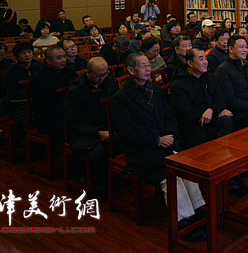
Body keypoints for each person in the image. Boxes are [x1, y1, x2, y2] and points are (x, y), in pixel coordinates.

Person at [111, 53, 208, 241]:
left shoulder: (155, 89)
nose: (148, 69)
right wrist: (157, 139)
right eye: (142, 66)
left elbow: (169, 116)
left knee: (185, 163)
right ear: (131, 70)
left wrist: (170, 135)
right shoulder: (121, 98)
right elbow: (127, 131)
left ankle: (199, 209)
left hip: (165, 142)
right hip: (141, 149)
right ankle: (183, 221)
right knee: (170, 171)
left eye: (149, 65)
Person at [63, 56, 118, 199]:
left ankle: (117, 181)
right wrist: (97, 132)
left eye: (105, 74)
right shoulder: (75, 91)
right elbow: (73, 122)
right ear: (88, 73)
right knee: (98, 152)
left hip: (107, 128)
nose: (102, 78)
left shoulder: (110, 83)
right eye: (98, 75)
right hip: (85, 133)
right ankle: (100, 187)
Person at [170, 49, 234, 150]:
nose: (205, 62)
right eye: (201, 59)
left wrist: (212, 110)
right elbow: (186, 112)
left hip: (211, 119)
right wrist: (217, 114)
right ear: (190, 63)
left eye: (206, 58)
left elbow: (221, 99)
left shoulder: (210, 78)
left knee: (226, 122)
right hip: (192, 125)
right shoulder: (178, 84)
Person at [31, 44, 75, 140]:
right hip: (49, 118)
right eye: (59, 58)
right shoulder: (40, 78)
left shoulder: (69, 71)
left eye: (64, 56)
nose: (63, 60)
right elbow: (43, 105)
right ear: (48, 61)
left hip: (68, 111)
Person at [1, 41, 42, 133]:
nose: (27, 55)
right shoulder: (11, 72)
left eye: (29, 52)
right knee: (28, 121)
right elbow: (13, 93)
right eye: (23, 53)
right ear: (16, 56)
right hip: (20, 105)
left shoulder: (40, 66)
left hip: (38, 101)